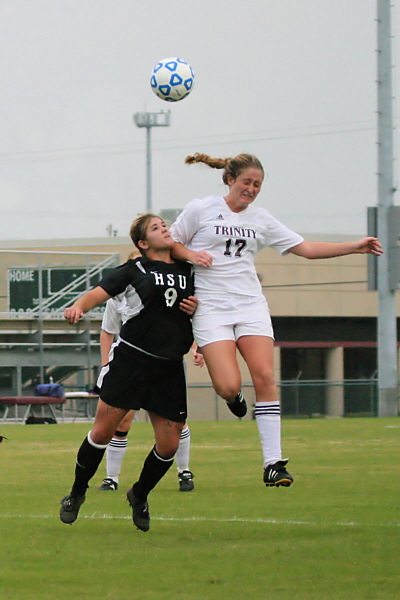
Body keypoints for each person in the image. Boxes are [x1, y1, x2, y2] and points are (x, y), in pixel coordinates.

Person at [170, 152, 383, 488]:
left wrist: (354, 246)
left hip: (250, 305)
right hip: (211, 308)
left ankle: (273, 463)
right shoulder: (201, 209)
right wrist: (191, 254)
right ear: (229, 180)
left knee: (266, 375)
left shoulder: (262, 219)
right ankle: (234, 398)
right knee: (227, 385)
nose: (252, 189)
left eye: (257, 185)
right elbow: (171, 243)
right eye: (246, 183)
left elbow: (306, 248)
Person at [60, 214, 198, 532]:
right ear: (143, 243)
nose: (164, 227)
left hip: (168, 368)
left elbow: (206, 307)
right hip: (132, 363)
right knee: (102, 434)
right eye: (155, 227)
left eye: (165, 224)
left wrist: (198, 313)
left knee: (169, 445)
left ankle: (139, 494)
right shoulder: (135, 269)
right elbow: (97, 293)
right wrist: (79, 306)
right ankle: (76, 493)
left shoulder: (189, 270)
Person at [97, 293, 203, 493]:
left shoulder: (163, 293)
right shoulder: (118, 298)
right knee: (121, 420)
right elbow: (107, 331)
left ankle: (184, 470)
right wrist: (106, 365)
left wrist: (196, 347)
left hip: (164, 365)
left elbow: (181, 324)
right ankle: (111, 478)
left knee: (173, 421)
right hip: (131, 366)